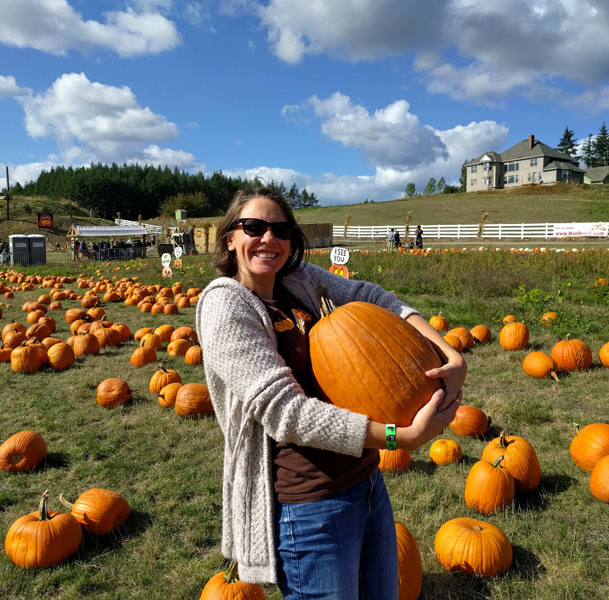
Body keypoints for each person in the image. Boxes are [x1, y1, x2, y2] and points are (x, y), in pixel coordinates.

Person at [195, 187, 465, 598]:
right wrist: (397, 437)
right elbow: (285, 412)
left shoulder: (296, 281)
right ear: (230, 237)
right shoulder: (225, 306)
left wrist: (446, 351)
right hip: (309, 505)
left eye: (281, 229)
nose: (269, 238)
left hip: (365, 481)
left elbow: (370, 296)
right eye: (254, 227)